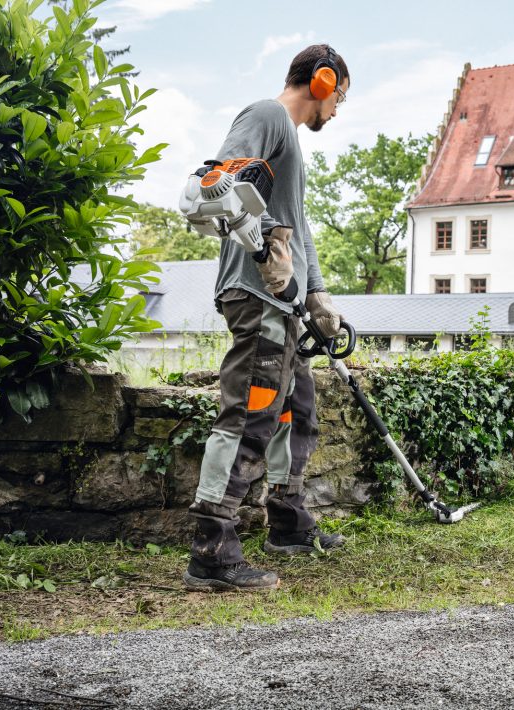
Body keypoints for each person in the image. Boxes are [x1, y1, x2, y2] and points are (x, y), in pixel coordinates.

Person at [182, 44, 351, 592]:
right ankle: (212, 546)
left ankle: (288, 520)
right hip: (259, 298)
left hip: (287, 303)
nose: (337, 109)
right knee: (250, 414)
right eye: (340, 97)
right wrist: (264, 254)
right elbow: (216, 185)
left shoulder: (290, 147)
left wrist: (317, 294)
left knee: (296, 411)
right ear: (323, 82)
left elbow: (297, 226)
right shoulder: (268, 115)